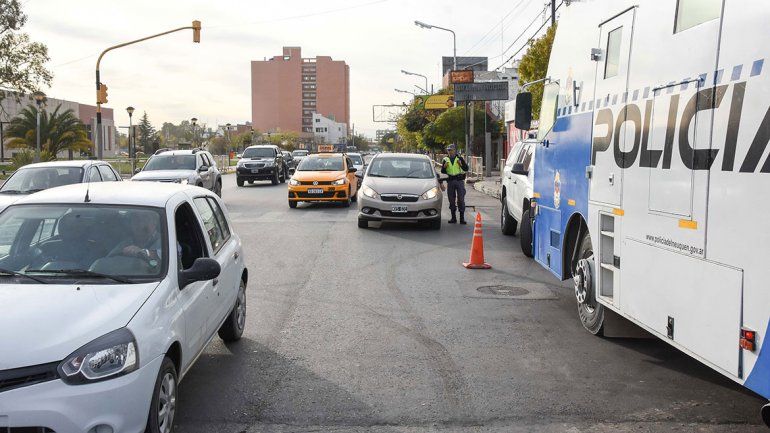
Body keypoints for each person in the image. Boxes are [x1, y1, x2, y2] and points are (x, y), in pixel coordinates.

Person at [441, 144, 469, 224]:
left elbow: (466, 168)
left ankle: (462, 218)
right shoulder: (445, 159)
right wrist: (444, 167)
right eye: (448, 150)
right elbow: (443, 171)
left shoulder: (459, 158)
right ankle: (453, 218)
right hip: (450, 181)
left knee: (461, 199)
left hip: (459, 180)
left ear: (455, 150)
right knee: (451, 199)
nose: (449, 151)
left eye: (451, 150)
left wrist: (461, 164)